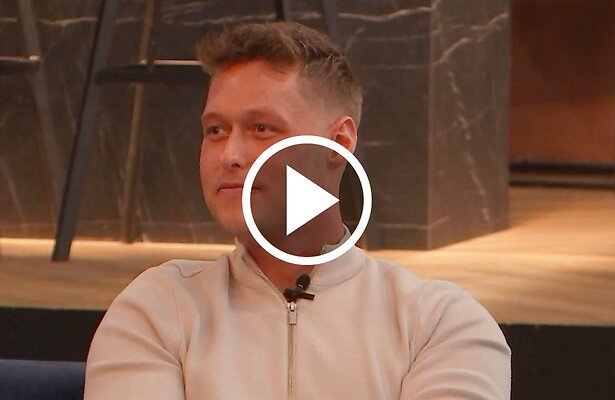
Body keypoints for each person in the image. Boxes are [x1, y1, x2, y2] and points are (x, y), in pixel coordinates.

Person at [84, 21, 511, 399]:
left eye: (261, 128)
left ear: (338, 144)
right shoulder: (157, 309)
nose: (229, 155)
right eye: (215, 130)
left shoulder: (438, 324)